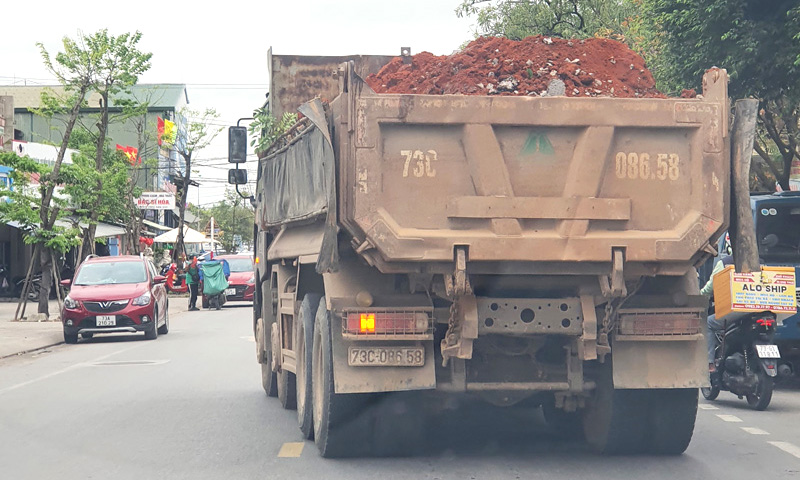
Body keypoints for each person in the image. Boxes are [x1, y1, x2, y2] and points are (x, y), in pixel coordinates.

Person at [701, 254, 735, 372]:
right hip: (758, 310)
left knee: (709, 323)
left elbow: (711, 286)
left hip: (737, 310)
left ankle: (709, 363)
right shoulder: (759, 261)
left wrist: (701, 296)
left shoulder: (725, 263)